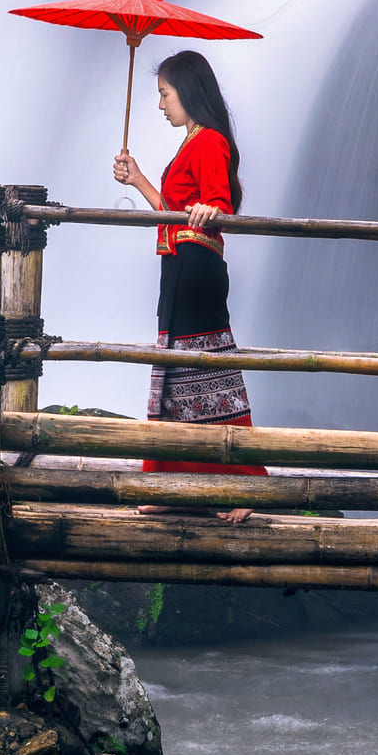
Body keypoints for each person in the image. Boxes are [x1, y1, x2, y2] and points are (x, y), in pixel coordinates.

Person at [113, 49, 257, 523]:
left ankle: (241, 486)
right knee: (174, 374)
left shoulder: (210, 141)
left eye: (164, 94)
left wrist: (211, 209)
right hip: (177, 266)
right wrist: (138, 181)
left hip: (197, 267)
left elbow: (218, 206)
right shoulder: (190, 143)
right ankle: (174, 484)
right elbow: (176, 209)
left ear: (187, 91)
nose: (160, 105)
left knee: (209, 371)